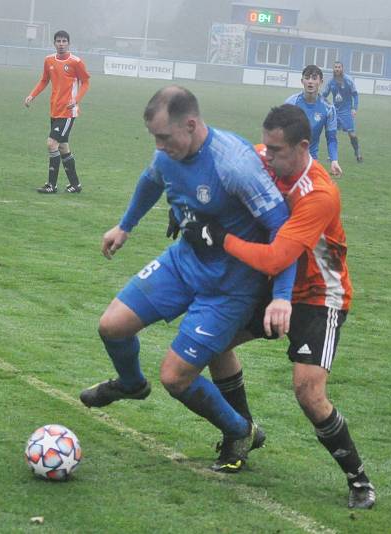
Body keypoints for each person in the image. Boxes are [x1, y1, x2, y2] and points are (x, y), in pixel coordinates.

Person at [79, 86, 297, 473]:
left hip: (228, 288)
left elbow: (283, 230)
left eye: (164, 137)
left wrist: (281, 296)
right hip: (183, 263)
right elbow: (152, 180)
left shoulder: (234, 164)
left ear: (191, 125)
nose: (159, 146)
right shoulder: (168, 153)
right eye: (155, 138)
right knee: (111, 326)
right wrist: (125, 226)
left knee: (176, 378)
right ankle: (131, 385)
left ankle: (240, 430)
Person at [182, 104, 376, 509]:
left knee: (308, 391)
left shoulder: (319, 194)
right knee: (215, 344)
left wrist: (217, 236)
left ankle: (358, 479)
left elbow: (276, 258)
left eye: (276, 150)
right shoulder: (262, 158)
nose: (266, 156)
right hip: (272, 288)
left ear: (303, 147)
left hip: (320, 295)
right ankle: (241, 433)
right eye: (265, 147)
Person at [24, 30, 90, 194]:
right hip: (54, 109)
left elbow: (86, 82)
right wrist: (32, 95)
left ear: (68, 43)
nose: (61, 44)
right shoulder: (49, 60)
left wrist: (76, 100)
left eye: (64, 41)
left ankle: (51, 185)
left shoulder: (76, 62)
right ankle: (75, 185)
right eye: (58, 41)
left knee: (51, 143)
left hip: (68, 112)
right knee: (62, 147)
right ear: (54, 43)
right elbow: (44, 80)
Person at [284, 65, 342, 177]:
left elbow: (331, 138)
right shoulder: (291, 103)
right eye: (307, 78)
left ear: (321, 82)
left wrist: (334, 160)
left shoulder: (328, 108)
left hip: (311, 162)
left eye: (314, 78)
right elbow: (279, 132)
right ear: (302, 81)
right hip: (289, 161)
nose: (310, 82)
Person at [322, 61, 362, 162]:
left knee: (351, 134)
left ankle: (357, 153)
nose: (337, 69)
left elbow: (355, 95)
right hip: (335, 111)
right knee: (332, 133)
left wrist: (354, 108)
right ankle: (331, 155)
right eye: (335, 67)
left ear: (342, 69)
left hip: (347, 111)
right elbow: (324, 95)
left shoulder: (348, 80)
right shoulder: (331, 82)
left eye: (339, 67)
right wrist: (323, 102)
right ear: (333, 69)